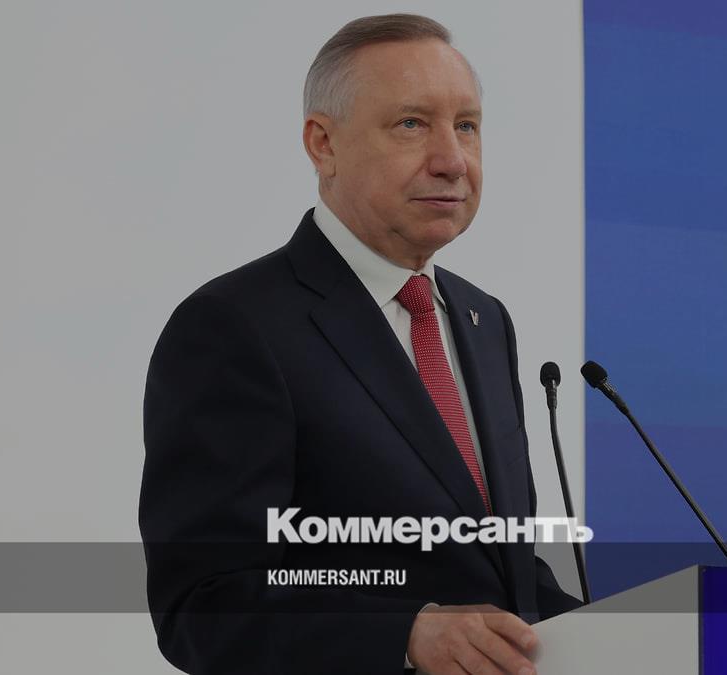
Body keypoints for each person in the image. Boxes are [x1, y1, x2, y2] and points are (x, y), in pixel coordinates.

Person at [139, 14, 581, 675]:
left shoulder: (484, 320)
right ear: (323, 144)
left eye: (466, 125)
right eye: (411, 123)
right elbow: (203, 603)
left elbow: (501, 574)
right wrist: (405, 634)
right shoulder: (234, 327)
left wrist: (635, 635)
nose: (452, 160)